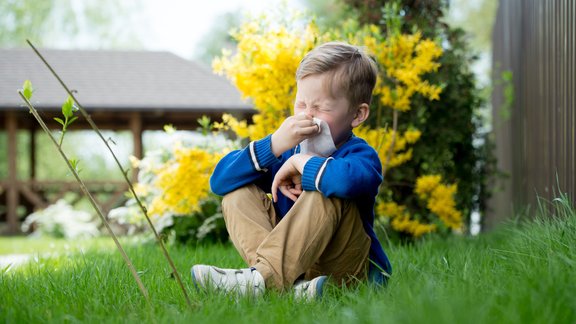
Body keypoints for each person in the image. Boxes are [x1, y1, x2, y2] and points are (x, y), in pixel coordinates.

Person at [191, 41, 392, 300]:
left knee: (325, 190)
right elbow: (220, 182)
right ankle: (285, 287)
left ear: (357, 114)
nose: (308, 116)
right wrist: (273, 145)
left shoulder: (361, 156)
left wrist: (302, 164)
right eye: (301, 105)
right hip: (297, 268)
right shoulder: (287, 149)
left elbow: (345, 182)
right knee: (236, 194)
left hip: (346, 272)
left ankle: (262, 281)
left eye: (321, 108)